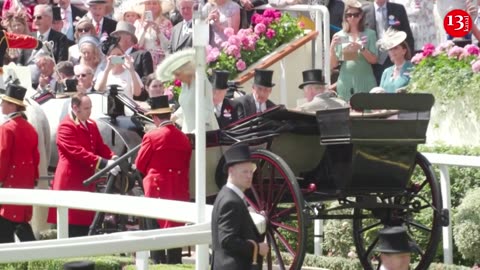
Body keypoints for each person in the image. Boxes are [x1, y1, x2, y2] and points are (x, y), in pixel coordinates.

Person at [47, 93, 118, 238]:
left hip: (86, 180)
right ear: (75, 108)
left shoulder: (91, 124)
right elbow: (77, 152)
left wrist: (113, 157)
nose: (89, 111)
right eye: (86, 108)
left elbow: (100, 146)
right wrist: (104, 163)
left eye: (90, 108)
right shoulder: (66, 126)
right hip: (70, 182)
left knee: (85, 224)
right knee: (72, 225)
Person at [135, 95, 192, 264]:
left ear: (155, 117)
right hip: (179, 190)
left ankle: (158, 263)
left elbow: (139, 164)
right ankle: (174, 264)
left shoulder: (152, 137)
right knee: (176, 234)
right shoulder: (184, 138)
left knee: (155, 235)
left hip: (157, 190)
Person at [211, 143, 269, 269]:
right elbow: (227, 240)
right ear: (231, 171)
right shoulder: (230, 201)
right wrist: (257, 248)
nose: (249, 176)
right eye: (245, 171)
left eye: (251, 171)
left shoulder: (227, 195)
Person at [0, 84, 40, 243]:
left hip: (9, 182)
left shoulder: (6, 128)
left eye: (4, 102)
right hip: (25, 182)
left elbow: (2, 156)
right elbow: (35, 157)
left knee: (8, 224)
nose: (2, 105)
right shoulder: (31, 129)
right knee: (19, 222)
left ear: (12, 105)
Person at [157, 48, 218, 133]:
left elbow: (207, 108)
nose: (177, 78)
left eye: (178, 74)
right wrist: (174, 116)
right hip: (188, 129)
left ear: (187, 71)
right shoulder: (185, 85)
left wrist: (198, 131)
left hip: (205, 132)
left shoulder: (202, 82)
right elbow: (187, 105)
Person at [330, 0, 378, 102]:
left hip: (365, 79)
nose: (352, 18)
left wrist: (361, 48)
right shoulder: (340, 35)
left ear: (361, 16)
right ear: (345, 17)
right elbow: (334, 64)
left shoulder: (369, 34)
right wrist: (332, 47)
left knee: (367, 112)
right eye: (349, 15)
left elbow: (374, 60)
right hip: (346, 81)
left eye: (355, 15)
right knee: (346, 112)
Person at [363, 0, 414, 85]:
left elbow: (408, 36)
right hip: (374, 60)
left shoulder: (398, 9)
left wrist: (409, 58)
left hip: (395, 58)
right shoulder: (364, 11)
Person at [377, 29, 413, 93]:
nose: (392, 52)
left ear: (404, 51)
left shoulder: (412, 68)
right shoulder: (386, 72)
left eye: (396, 48)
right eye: (390, 49)